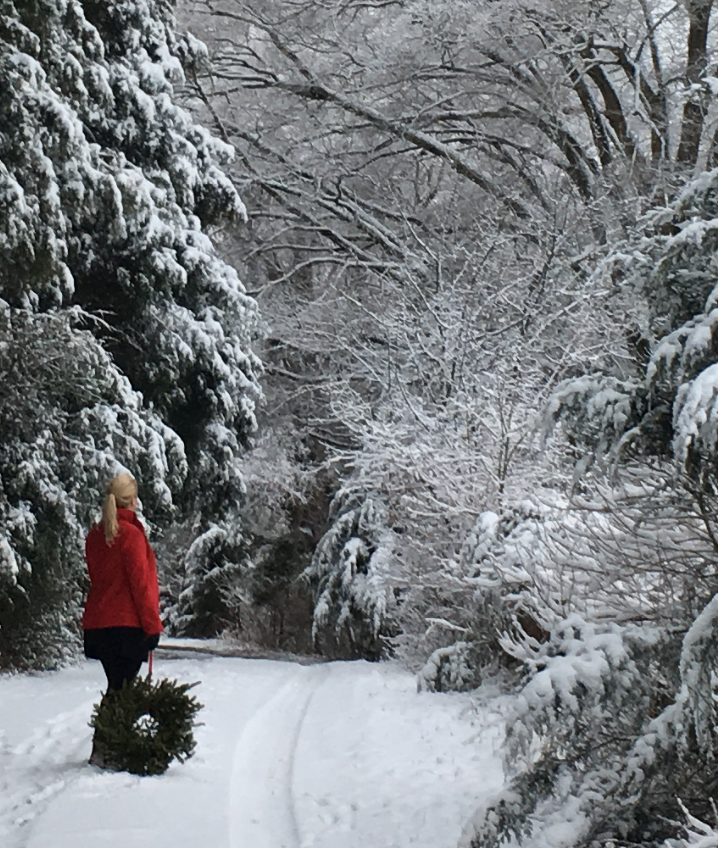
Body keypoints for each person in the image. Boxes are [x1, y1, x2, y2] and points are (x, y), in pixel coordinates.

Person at [83, 472, 163, 764]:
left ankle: (106, 747)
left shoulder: (96, 535)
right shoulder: (131, 535)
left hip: (99, 624)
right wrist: (152, 626)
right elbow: (141, 586)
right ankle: (109, 748)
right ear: (132, 500)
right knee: (123, 690)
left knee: (117, 686)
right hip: (127, 626)